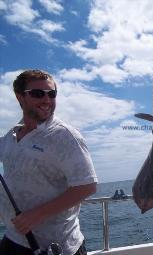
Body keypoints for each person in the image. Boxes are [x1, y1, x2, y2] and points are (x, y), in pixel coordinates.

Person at [0, 70, 98, 255]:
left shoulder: (65, 136)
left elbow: (87, 186)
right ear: (20, 97)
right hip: (14, 238)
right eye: (38, 93)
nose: (47, 100)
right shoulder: (11, 136)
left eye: (51, 94)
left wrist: (35, 216)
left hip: (54, 246)